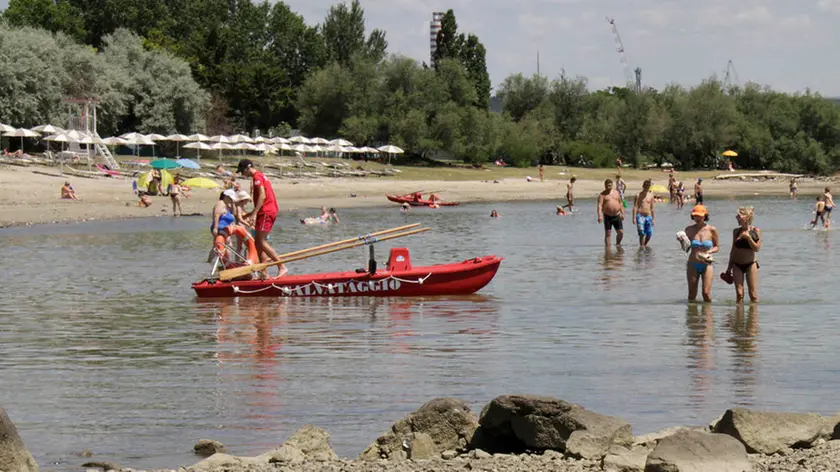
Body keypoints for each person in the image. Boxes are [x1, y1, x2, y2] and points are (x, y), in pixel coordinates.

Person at [237, 159, 286, 278]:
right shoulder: (261, 176)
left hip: (266, 211)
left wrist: (254, 214)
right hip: (266, 210)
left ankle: (281, 266)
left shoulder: (257, 178)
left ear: (248, 168)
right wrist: (251, 214)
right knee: (258, 243)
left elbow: (262, 196)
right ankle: (264, 273)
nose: (242, 175)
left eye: (242, 171)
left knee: (261, 241)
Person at [724, 207, 761, 303]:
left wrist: (748, 238)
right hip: (737, 265)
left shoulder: (755, 230)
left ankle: (753, 317)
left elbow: (757, 248)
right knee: (739, 294)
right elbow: (733, 250)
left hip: (751, 264)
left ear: (747, 217)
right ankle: (739, 317)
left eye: (739, 216)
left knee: (753, 295)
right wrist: (729, 268)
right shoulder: (736, 231)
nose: (737, 218)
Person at [684, 205, 719, 302]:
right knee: (692, 295)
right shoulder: (688, 230)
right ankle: (692, 316)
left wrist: (710, 251)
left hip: (707, 264)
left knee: (706, 293)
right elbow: (686, 248)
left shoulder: (711, 229)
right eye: (695, 216)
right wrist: (681, 240)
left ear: (705, 216)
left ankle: (707, 315)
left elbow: (717, 247)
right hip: (692, 263)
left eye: (700, 216)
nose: (697, 218)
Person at [597, 179, 625, 247]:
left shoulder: (616, 193)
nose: (608, 187)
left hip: (617, 215)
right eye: (607, 185)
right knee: (608, 233)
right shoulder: (602, 195)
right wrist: (599, 216)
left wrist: (623, 213)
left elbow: (620, 203)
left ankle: (618, 245)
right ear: (605, 185)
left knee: (620, 232)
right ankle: (608, 249)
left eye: (609, 185)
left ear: (612, 185)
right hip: (607, 216)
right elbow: (600, 205)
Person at [632, 179, 655, 247]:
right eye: (645, 186)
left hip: (648, 216)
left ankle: (644, 245)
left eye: (648, 186)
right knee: (642, 233)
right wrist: (634, 218)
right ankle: (642, 247)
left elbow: (652, 208)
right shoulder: (638, 195)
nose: (646, 188)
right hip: (640, 216)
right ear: (643, 186)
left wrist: (653, 219)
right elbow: (635, 207)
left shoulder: (651, 196)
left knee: (649, 234)